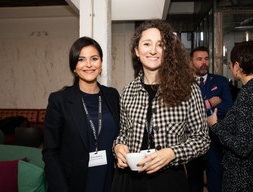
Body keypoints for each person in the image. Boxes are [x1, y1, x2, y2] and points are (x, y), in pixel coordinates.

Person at [111, 20, 210, 192]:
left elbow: (202, 139)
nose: (153, 50)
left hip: (169, 179)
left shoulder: (188, 90)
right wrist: (118, 147)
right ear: (137, 50)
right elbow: (123, 134)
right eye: (147, 44)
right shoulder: (127, 92)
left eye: (160, 45)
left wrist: (172, 153)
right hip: (128, 180)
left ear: (167, 51)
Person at [42, 36, 120, 192]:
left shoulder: (112, 96)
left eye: (94, 58)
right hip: (73, 184)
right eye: (81, 59)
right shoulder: (59, 100)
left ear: (101, 63)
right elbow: (50, 152)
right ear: (74, 67)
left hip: (108, 181)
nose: (89, 64)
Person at [207, 40, 253, 192]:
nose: (230, 68)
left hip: (247, 178)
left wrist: (215, 126)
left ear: (237, 66)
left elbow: (243, 146)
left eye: (230, 64)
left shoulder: (250, 95)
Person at [186, 46, 233, 192]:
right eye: (199, 59)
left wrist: (198, 111)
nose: (204, 62)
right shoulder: (184, 84)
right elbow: (183, 109)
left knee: (216, 179)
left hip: (215, 140)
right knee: (194, 181)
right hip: (192, 141)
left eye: (206, 59)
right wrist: (210, 103)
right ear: (190, 62)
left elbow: (228, 106)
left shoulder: (220, 81)